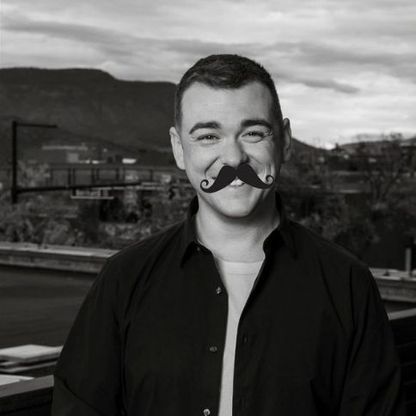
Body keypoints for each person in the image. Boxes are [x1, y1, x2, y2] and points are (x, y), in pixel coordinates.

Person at [52, 54, 406, 415]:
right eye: (208, 136)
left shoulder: (347, 284)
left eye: (253, 133)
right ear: (178, 148)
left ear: (284, 141)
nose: (234, 158)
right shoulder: (123, 280)